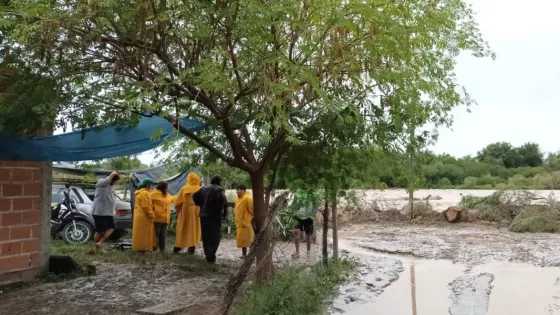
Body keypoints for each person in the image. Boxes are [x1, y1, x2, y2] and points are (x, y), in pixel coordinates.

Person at [193, 174, 228, 263]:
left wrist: (200, 204)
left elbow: (194, 196)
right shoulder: (219, 189)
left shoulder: (204, 188)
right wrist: (219, 210)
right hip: (214, 217)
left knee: (206, 236)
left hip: (204, 216)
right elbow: (222, 200)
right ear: (219, 181)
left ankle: (208, 255)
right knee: (216, 236)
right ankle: (211, 255)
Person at [174, 172, 202, 254]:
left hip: (186, 210)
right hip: (197, 210)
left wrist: (179, 210)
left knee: (183, 228)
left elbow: (177, 202)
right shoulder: (200, 189)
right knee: (195, 228)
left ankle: (178, 247)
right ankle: (192, 247)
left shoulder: (184, 189)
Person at [92, 171, 120, 253]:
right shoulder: (102, 182)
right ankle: (97, 248)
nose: (116, 182)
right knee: (100, 231)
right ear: (111, 178)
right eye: (115, 180)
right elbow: (108, 178)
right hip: (100, 212)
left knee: (111, 228)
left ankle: (100, 243)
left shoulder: (110, 186)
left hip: (108, 212)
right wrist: (114, 173)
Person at [292, 189, 318, 258]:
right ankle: (297, 252)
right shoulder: (298, 191)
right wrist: (294, 212)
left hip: (309, 216)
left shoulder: (312, 192)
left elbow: (315, 204)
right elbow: (294, 203)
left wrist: (313, 214)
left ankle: (308, 252)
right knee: (296, 232)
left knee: (308, 234)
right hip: (298, 215)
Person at [150, 181, 175, 252]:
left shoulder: (166, 194)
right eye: (167, 187)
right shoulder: (153, 194)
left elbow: (173, 199)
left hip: (165, 218)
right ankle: (154, 248)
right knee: (156, 234)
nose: (168, 188)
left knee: (162, 235)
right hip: (157, 218)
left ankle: (162, 250)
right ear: (163, 187)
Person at [132, 178, 155, 252]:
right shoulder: (144, 193)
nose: (151, 186)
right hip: (143, 216)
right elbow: (145, 206)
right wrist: (152, 214)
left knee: (139, 233)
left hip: (139, 215)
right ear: (147, 185)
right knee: (144, 234)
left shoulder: (139, 192)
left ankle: (139, 248)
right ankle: (142, 248)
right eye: (151, 185)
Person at [235, 185, 254, 257]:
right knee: (242, 240)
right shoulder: (237, 199)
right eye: (236, 190)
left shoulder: (248, 199)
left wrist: (249, 219)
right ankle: (244, 254)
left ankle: (251, 255)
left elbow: (253, 210)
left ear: (244, 190)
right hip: (240, 223)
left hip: (247, 223)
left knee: (249, 240)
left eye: (238, 190)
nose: (237, 191)